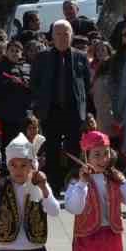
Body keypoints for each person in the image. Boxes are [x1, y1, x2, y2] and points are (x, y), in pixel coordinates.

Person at [30, 19, 94, 193]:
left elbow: (87, 85)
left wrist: (87, 111)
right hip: (51, 111)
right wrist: (37, 107)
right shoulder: (42, 57)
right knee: (52, 149)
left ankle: (73, 184)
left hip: (74, 111)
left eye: (66, 33)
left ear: (71, 35)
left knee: (73, 149)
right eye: (58, 33)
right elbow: (34, 84)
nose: (62, 37)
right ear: (52, 36)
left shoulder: (80, 57)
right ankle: (53, 185)